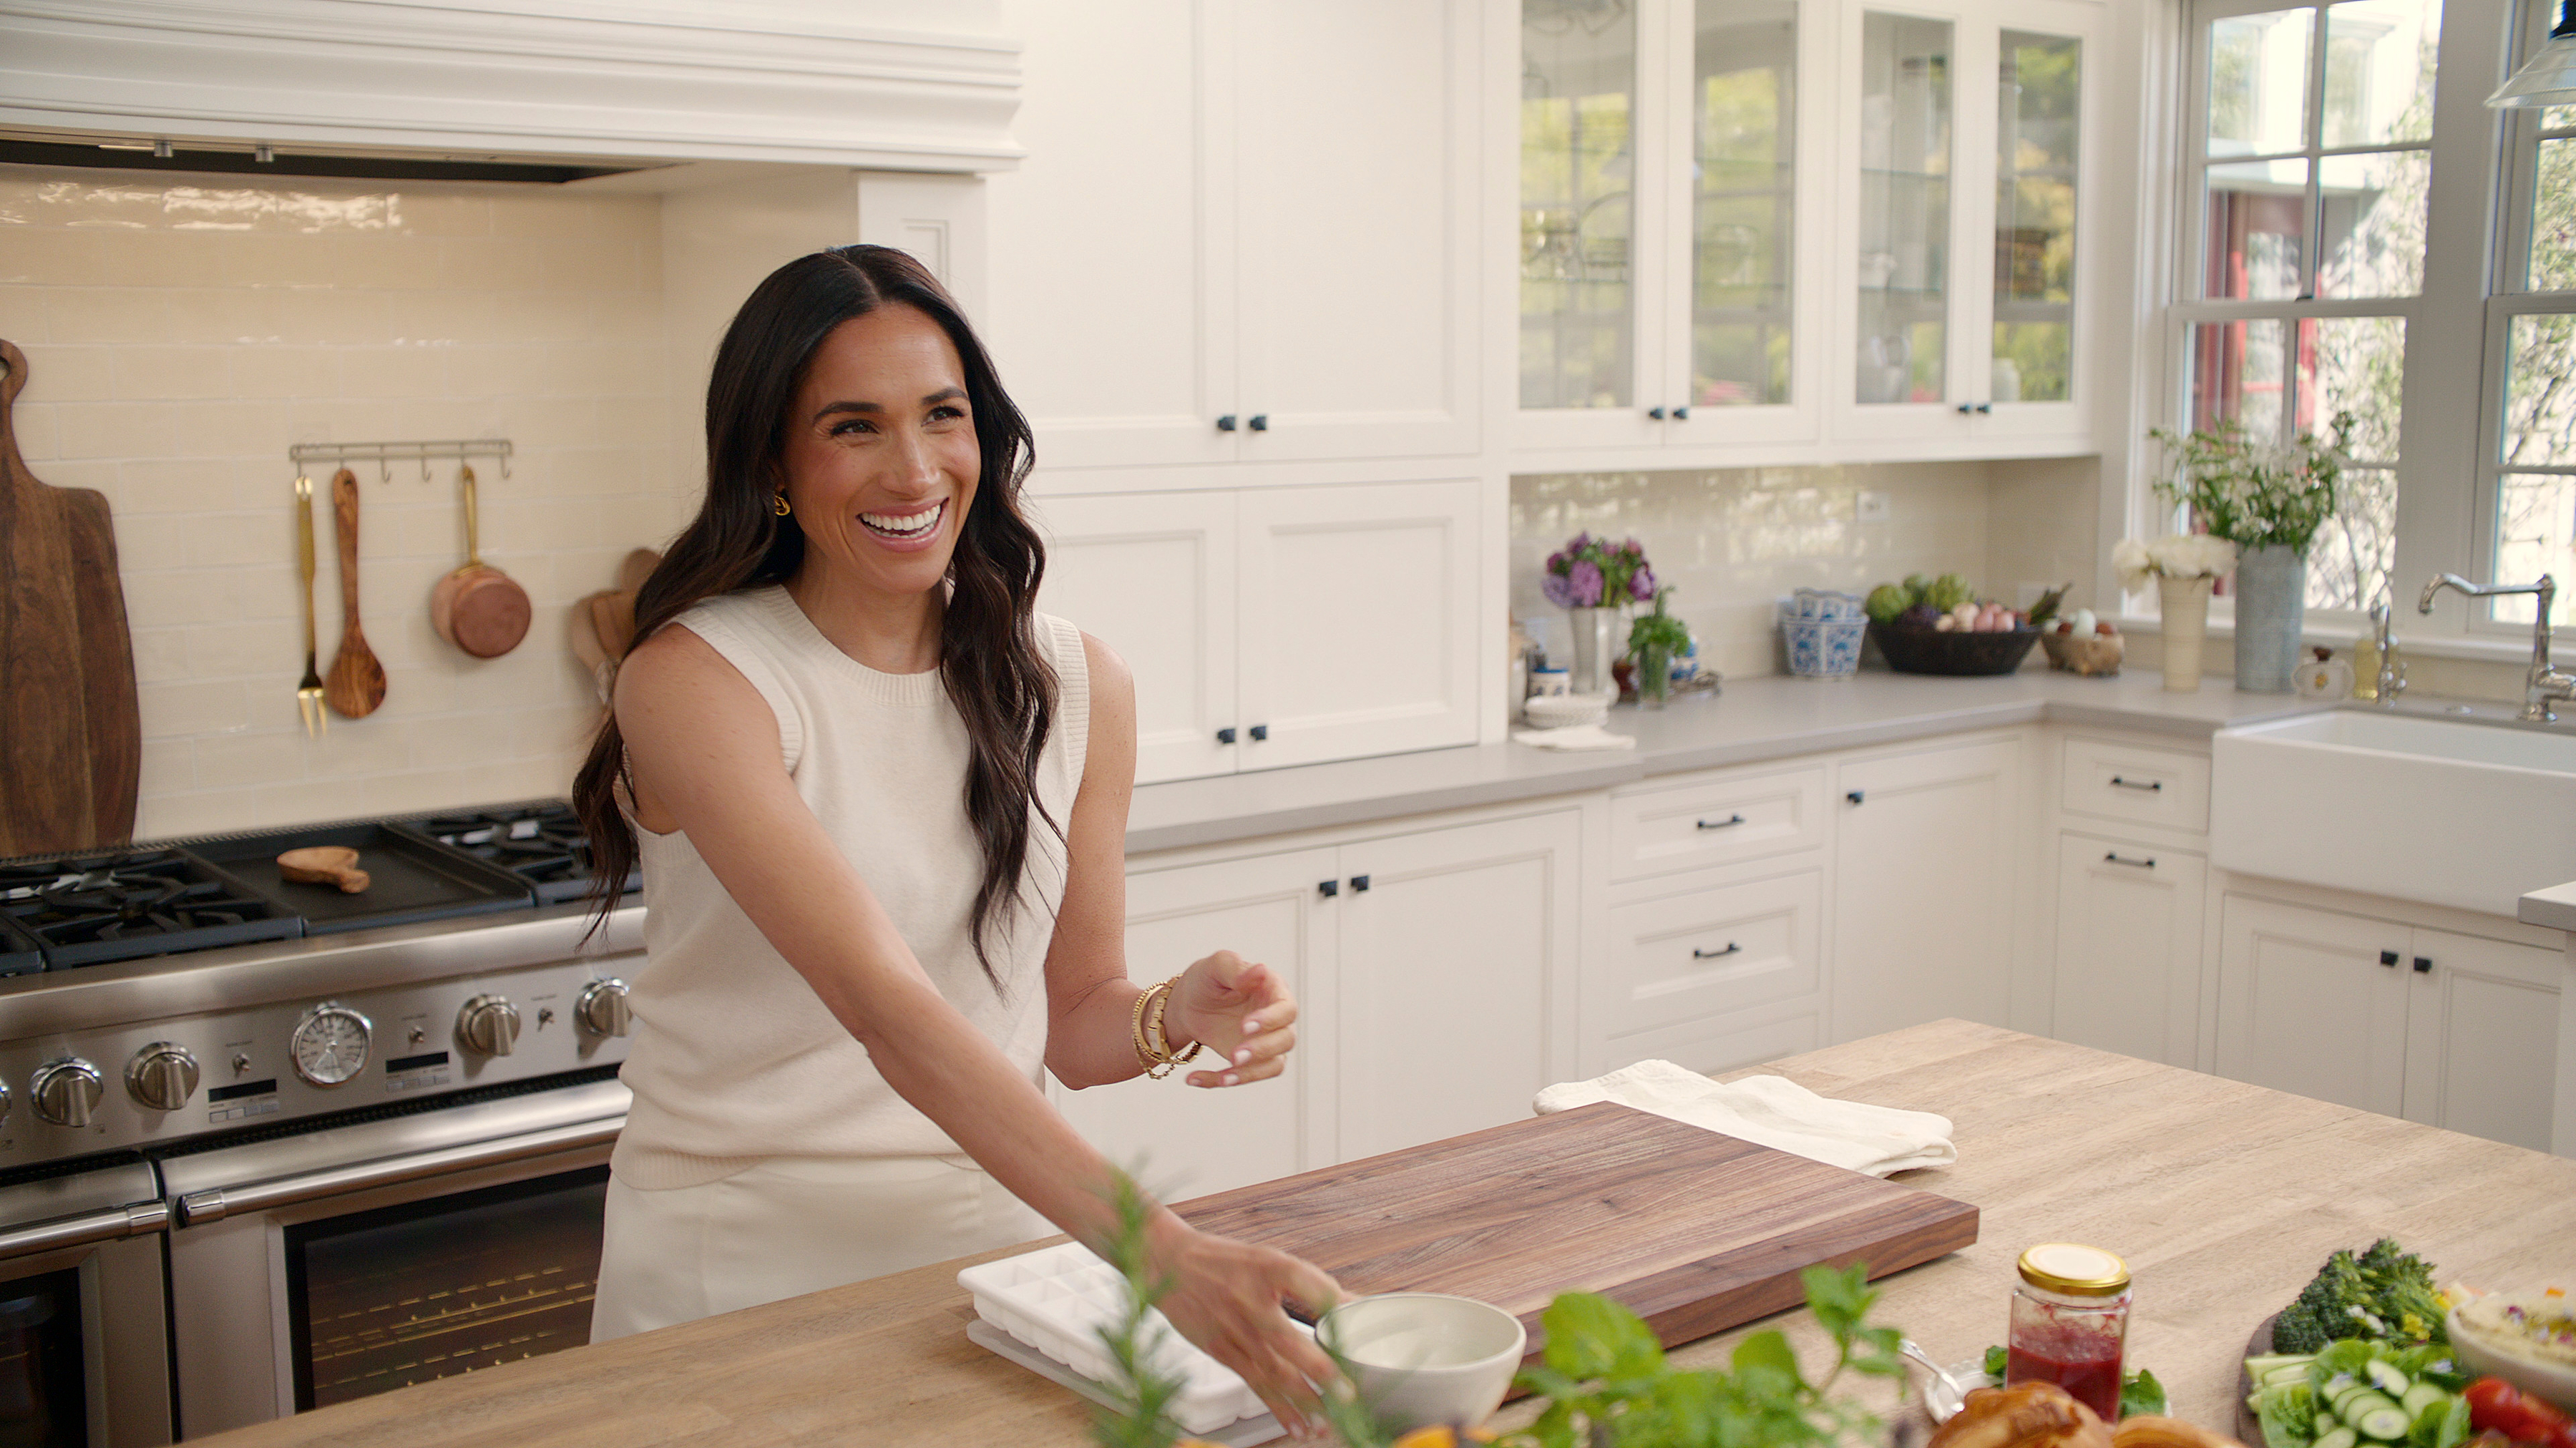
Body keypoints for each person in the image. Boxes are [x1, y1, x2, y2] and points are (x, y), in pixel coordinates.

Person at [569, 245, 1340, 1429]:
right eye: (853, 427)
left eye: (945, 416)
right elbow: (893, 1018)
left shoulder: (1076, 682)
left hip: (1001, 1261)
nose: (916, 467)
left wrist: (1174, 1011)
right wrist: (1168, 1255)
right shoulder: (697, 683)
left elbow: (1071, 1027)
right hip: (737, 1269)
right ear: (774, 459)